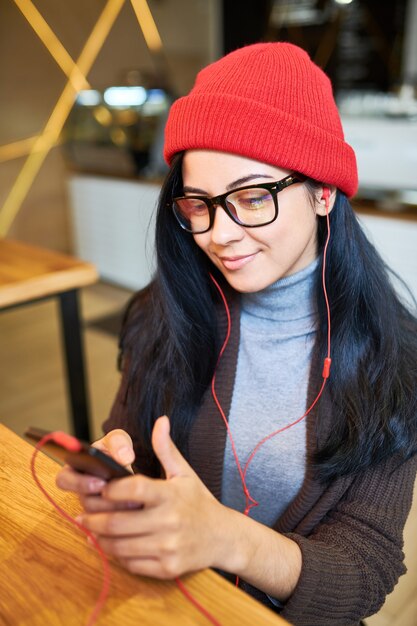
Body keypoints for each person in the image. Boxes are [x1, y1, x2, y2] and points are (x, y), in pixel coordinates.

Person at [57, 43, 417, 626]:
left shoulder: (396, 357)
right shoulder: (162, 310)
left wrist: (230, 541)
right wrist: (119, 471)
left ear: (323, 192)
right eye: (199, 205)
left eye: (252, 199)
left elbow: (366, 569)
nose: (220, 235)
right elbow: (137, 442)